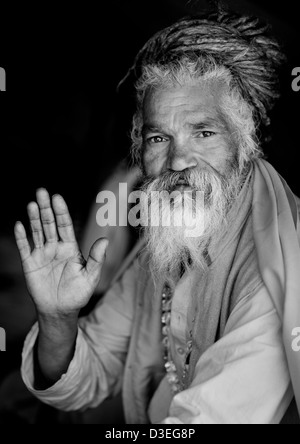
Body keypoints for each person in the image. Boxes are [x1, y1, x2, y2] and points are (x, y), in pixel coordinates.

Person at [15, 8, 300, 424]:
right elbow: (84, 379)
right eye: (159, 137)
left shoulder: (282, 263)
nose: (178, 160)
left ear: (246, 145)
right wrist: (58, 319)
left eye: (204, 133)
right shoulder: (163, 248)